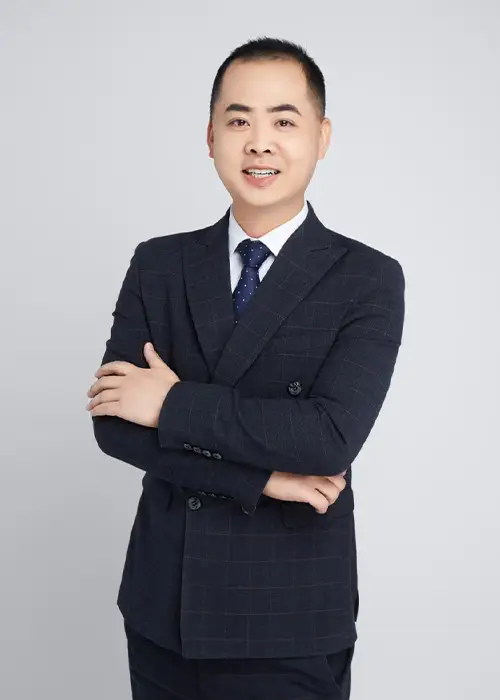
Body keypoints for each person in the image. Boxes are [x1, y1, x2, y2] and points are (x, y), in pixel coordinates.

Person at [86, 37, 405, 700]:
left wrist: (170, 405)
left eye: (284, 121)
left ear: (321, 137)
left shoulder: (368, 278)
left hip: (288, 615)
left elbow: (328, 438)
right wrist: (263, 479)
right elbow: (114, 425)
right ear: (211, 137)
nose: (260, 143)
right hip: (162, 603)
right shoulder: (159, 263)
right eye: (239, 121)